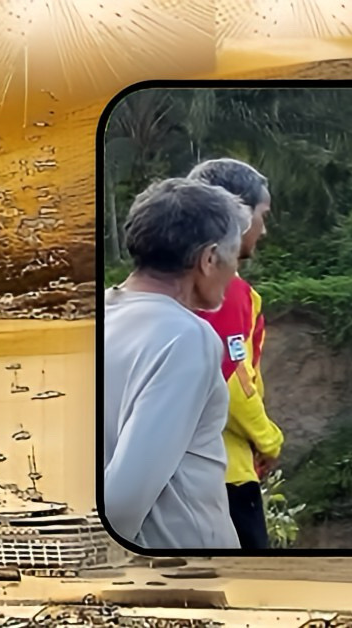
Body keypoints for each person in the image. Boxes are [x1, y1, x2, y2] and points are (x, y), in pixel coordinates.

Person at [103, 178, 249, 550]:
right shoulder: (186, 337)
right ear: (209, 258)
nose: (234, 273)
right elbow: (121, 501)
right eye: (234, 257)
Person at [187, 158, 284, 551]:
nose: (263, 228)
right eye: (262, 215)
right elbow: (229, 378)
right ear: (239, 217)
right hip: (225, 471)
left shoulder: (179, 284)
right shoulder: (224, 290)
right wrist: (269, 439)